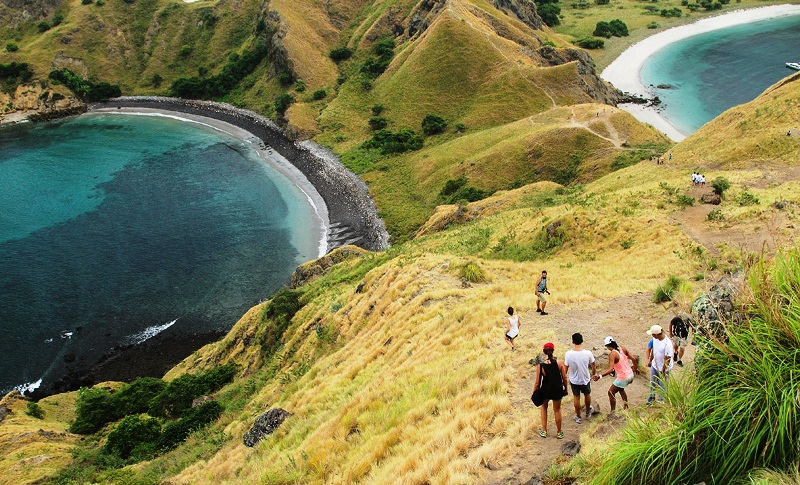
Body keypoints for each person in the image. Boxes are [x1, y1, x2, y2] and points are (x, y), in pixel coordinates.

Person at [533, 342, 568, 439]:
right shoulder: (559, 363)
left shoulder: (541, 365)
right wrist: (565, 389)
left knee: (544, 408)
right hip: (557, 389)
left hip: (545, 390)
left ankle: (544, 431)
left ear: (543, 351)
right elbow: (564, 378)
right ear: (553, 351)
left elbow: (537, 382)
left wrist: (534, 392)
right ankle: (559, 432)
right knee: (557, 410)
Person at [593, 336, 636, 416]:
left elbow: (610, 369)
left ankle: (612, 412)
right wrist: (635, 369)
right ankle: (626, 406)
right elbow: (633, 358)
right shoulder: (622, 348)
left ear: (607, 346)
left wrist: (600, 376)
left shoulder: (612, 354)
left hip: (623, 377)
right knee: (620, 388)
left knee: (611, 392)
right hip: (630, 374)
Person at [564, 332, 596, 423]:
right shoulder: (588, 353)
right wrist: (594, 373)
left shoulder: (568, 354)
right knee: (587, 394)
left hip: (574, 380)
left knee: (576, 397)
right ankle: (588, 412)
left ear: (573, 342)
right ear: (582, 341)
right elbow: (593, 364)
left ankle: (578, 416)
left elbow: (565, 368)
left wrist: (563, 378)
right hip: (585, 378)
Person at [646, 324, 674, 404]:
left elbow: (667, 359)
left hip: (664, 367)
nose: (652, 336)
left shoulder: (668, 344)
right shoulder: (655, 339)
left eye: (653, 334)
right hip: (655, 365)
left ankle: (661, 399)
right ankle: (651, 397)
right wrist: (650, 360)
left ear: (657, 334)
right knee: (653, 382)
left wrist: (663, 371)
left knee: (663, 383)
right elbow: (654, 350)